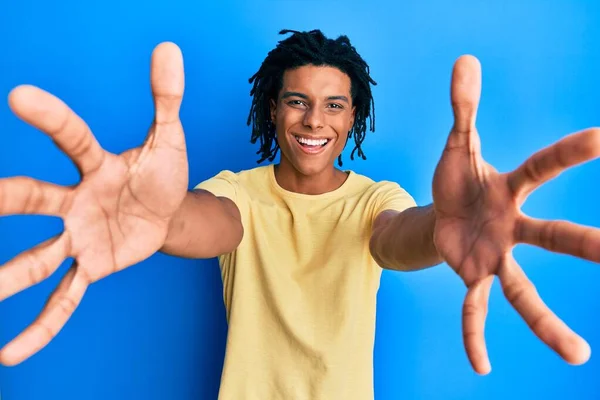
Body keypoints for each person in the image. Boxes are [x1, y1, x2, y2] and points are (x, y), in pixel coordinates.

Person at [0, 29, 597, 399]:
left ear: (353, 118)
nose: (315, 121)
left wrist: (446, 230)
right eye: (298, 101)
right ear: (273, 110)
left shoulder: (373, 200)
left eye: (335, 105)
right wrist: (156, 221)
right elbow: (205, 223)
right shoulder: (238, 193)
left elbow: (396, 238)